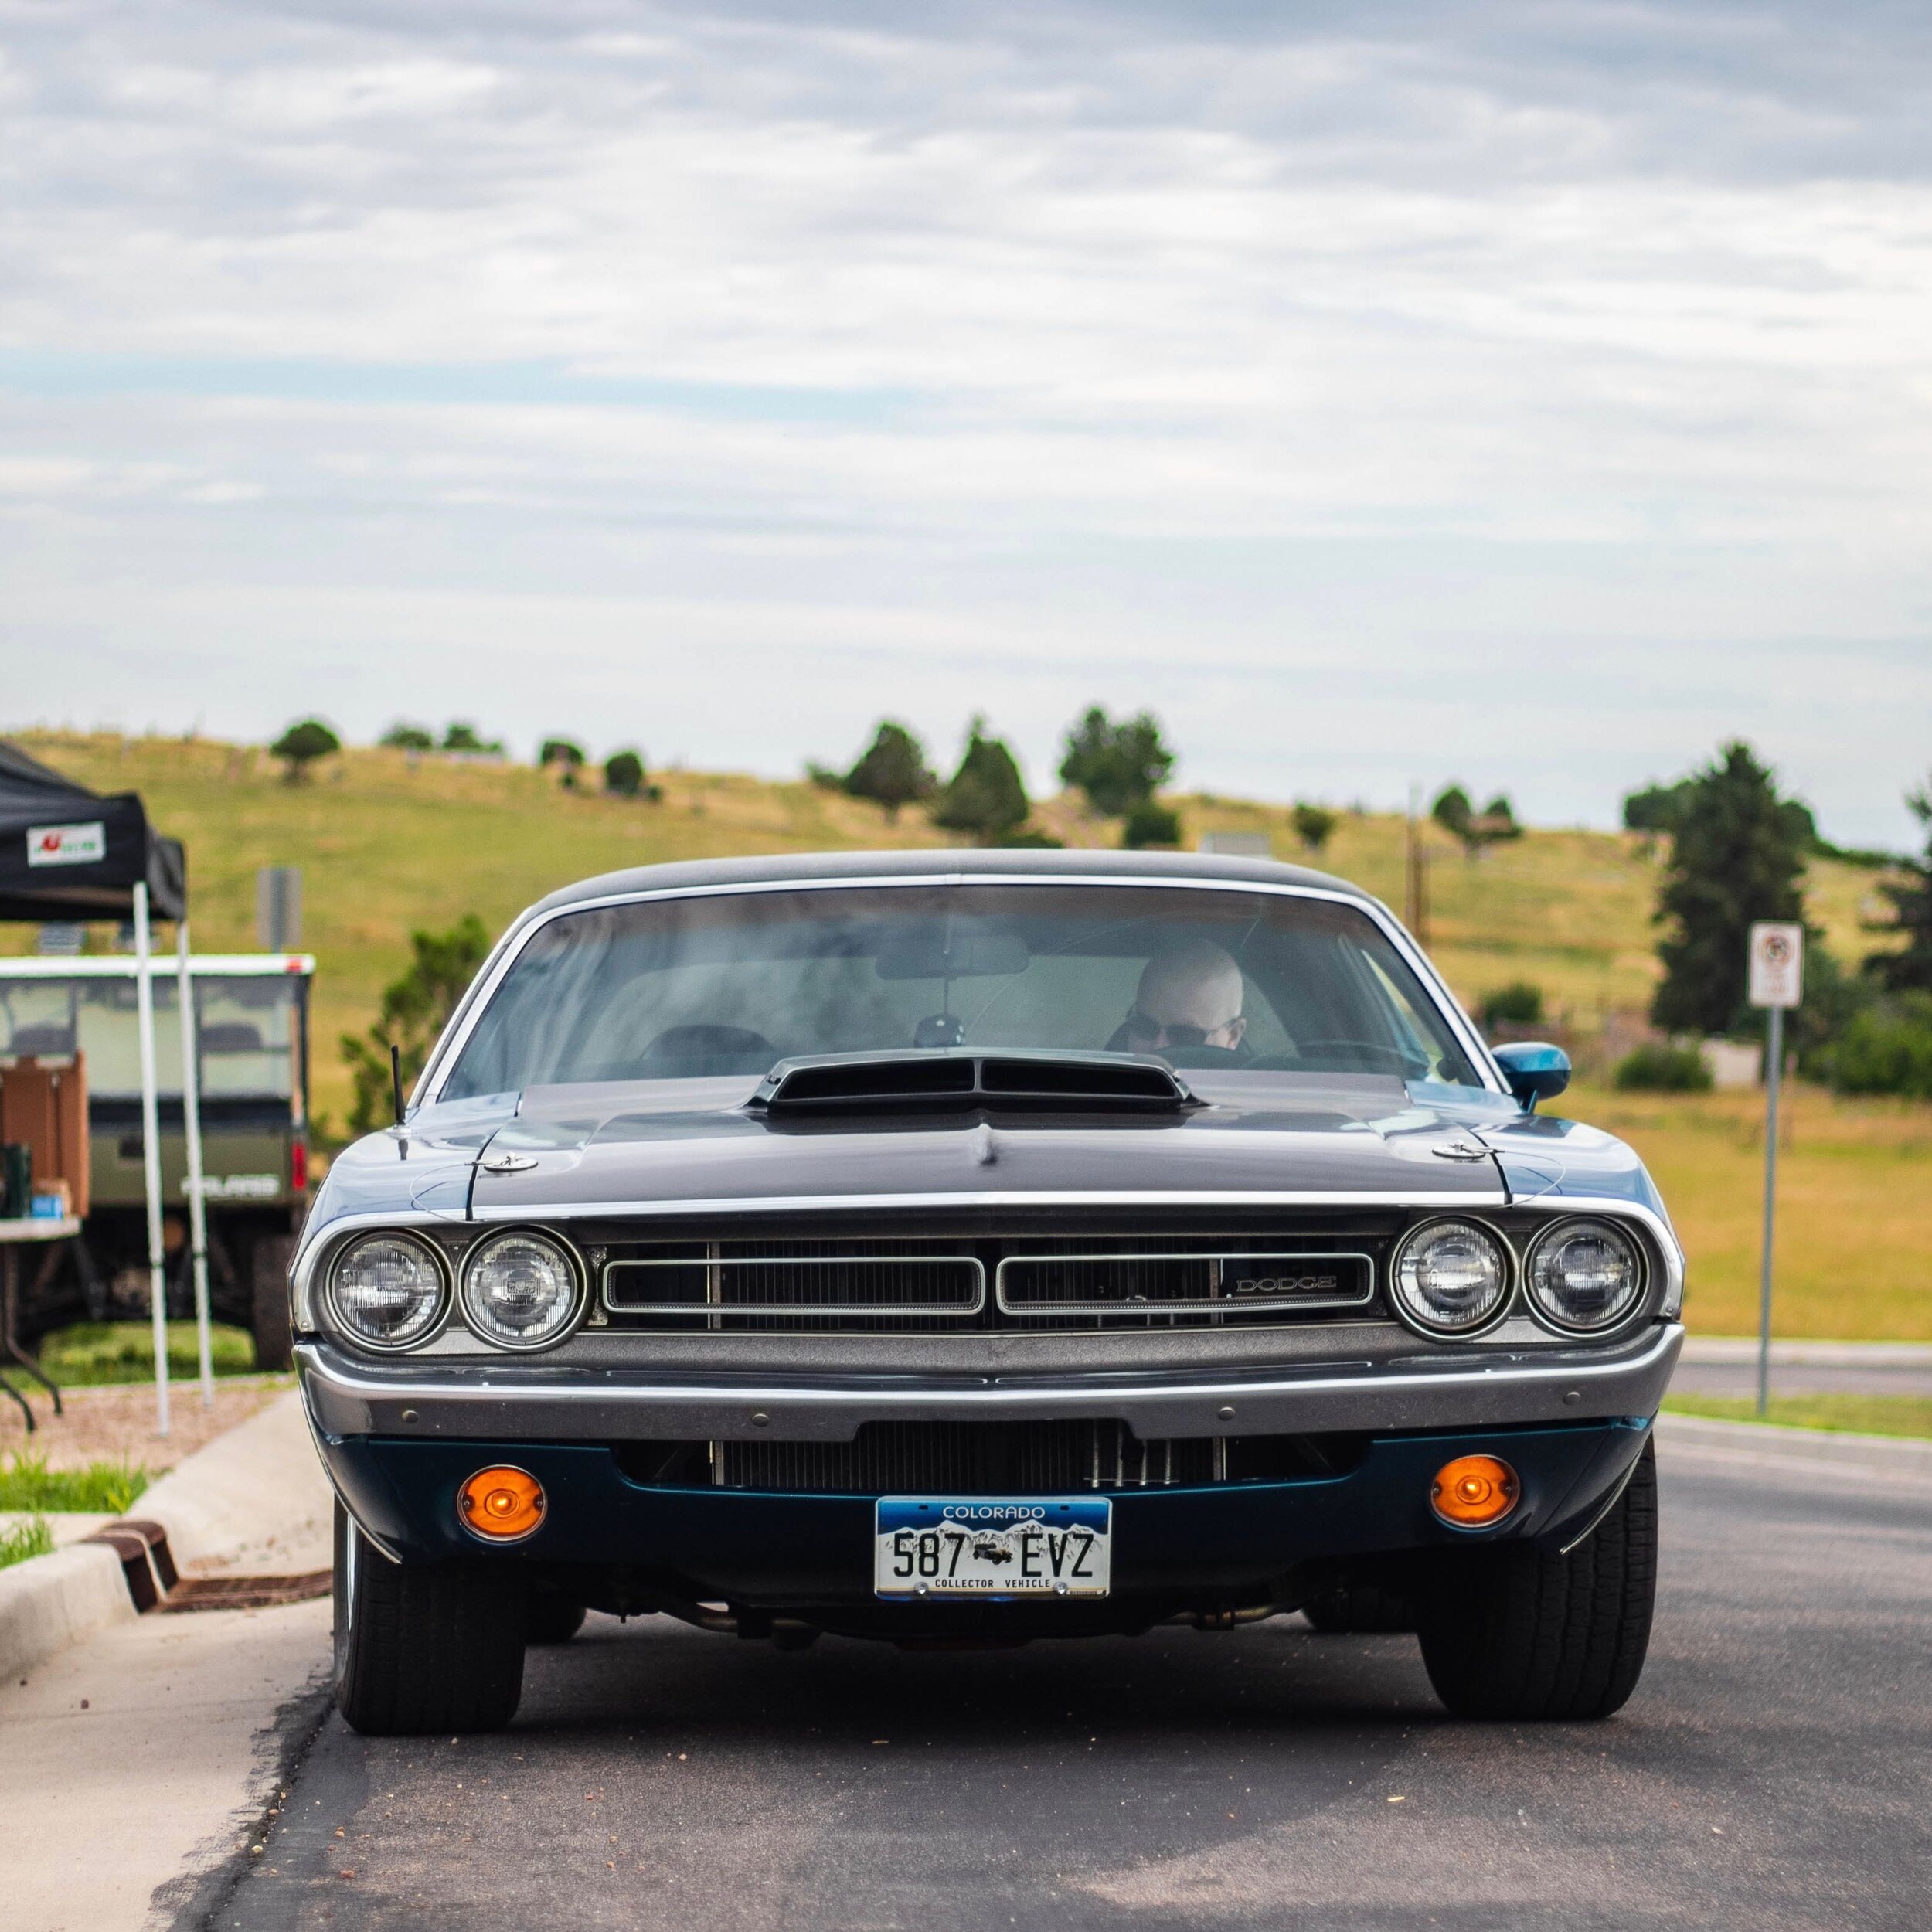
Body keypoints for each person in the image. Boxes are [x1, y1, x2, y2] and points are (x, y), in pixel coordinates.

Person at [1108, 938, 1248, 1056]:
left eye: (1184, 1036)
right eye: (1145, 1027)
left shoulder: (1261, 1087)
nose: (1158, 1048)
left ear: (1233, 1035)